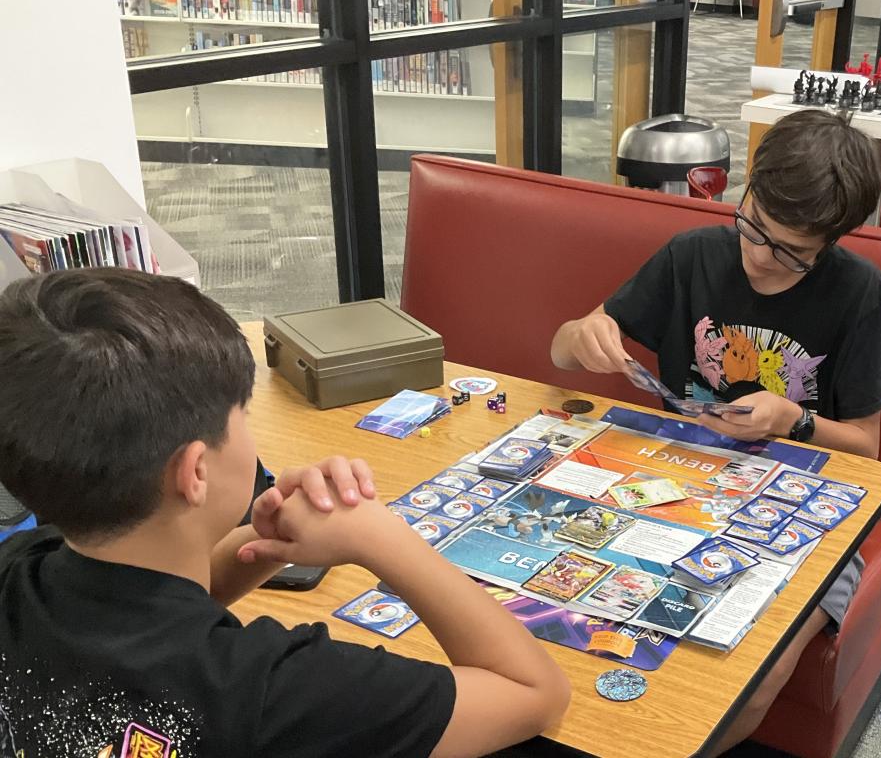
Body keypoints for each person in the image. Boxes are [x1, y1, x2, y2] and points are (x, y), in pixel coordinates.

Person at [0, 269, 570, 757]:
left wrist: (260, 540)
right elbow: (533, 695)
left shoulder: (18, 570)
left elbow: (146, 619)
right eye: (240, 415)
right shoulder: (279, 689)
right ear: (195, 471)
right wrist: (381, 538)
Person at [551, 109, 881, 753]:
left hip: (801, 511)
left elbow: (866, 447)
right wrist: (583, 336)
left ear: (831, 241)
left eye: (792, 254)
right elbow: (559, 352)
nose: (760, 258)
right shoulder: (692, 256)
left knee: (756, 669)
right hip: (671, 483)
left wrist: (794, 420)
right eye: (753, 227)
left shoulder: (860, 293)